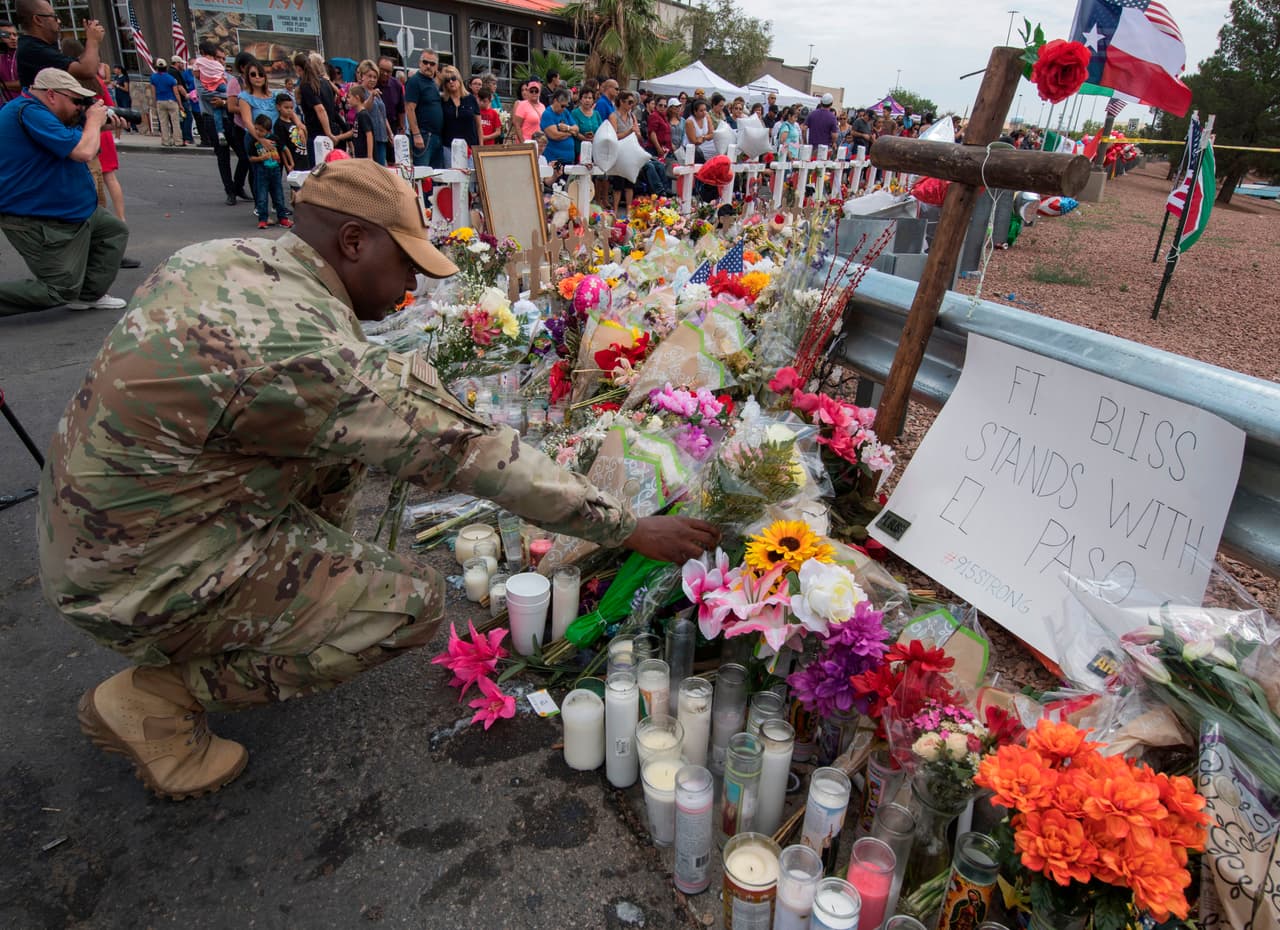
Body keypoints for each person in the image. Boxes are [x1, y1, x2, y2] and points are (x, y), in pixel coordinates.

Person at [39, 157, 720, 799]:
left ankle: (278, 607)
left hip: (106, 532)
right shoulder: (303, 347)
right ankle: (156, 702)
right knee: (406, 606)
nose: (409, 291)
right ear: (354, 242)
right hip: (137, 576)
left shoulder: (223, 259)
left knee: (347, 452)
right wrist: (628, 527)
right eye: (406, 266)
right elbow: (472, 452)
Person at [0, 68, 128, 315]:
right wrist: (93, 122)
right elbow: (83, 152)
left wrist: (98, 128)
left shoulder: (45, 114)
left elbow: (74, 143)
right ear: (51, 95)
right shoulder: (30, 112)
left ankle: (88, 295)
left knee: (113, 232)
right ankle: (74, 293)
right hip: (37, 217)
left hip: (73, 211)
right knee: (58, 289)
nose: (80, 108)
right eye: (76, 101)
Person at [16, 0, 101, 88]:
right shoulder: (33, 50)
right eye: (54, 17)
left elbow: (78, 63)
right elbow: (87, 70)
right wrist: (93, 40)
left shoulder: (37, 46)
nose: (59, 21)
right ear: (38, 20)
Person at [298, 51, 350, 163]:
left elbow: (320, 109)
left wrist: (328, 133)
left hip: (318, 133)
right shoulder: (326, 83)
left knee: (318, 168)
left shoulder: (308, 85)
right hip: (331, 128)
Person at [247, 113, 291, 229]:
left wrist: (290, 163)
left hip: (275, 171)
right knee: (262, 197)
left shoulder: (274, 139)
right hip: (262, 171)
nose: (257, 132)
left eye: (261, 130)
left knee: (279, 196)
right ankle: (263, 219)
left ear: (268, 131)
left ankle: (282, 218)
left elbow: (284, 149)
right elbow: (251, 158)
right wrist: (261, 158)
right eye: (256, 129)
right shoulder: (254, 141)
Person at [404, 49, 442, 169]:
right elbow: (410, 109)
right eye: (425, 62)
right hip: (424, 135)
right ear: (420, 63)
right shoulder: (415, 81)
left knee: (437, 175)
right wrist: (416, 134)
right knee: (423, 174)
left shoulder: (432, 83)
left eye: (432, 63)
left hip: (436, 136)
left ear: (436, 66)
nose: (428, 66)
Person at [438, 64, 479, 168]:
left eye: (453, 78)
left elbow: (479, 126)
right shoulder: (442, 100)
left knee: (470, 177)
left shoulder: (471, 99)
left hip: (470, 147)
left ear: (459, 79)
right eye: (447, 80)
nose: (451, 82)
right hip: (448, 147)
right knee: (451, 176)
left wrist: (480, 148)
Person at [356, 59, 392, 166]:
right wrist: (371, 96)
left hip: (381, 136)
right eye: (369, 76)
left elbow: (383, 115)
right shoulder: (359, 91)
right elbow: (363, 109)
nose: (372, 79)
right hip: (369, 136)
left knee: (382, 166)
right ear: (362, 76)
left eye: (375, 77)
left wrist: (390, 132)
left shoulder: (377, 92)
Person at [608, 90, 639, 213]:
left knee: (630, 184)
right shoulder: (613, 116)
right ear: (621, 102)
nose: (631, 105)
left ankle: (628, 211)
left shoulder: (632, 116)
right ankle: (615, 211)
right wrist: (629, 131)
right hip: (619, 152)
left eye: (633, 102)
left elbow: (637, 133)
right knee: (618, 184)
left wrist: (637, 133)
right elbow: (614, 135)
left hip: (631, 151)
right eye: (629, 102)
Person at [539, 87, 577, 166]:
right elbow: (555, 135)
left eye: (566, 106)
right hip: (554, 159)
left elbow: (576, 128)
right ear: (555, 101)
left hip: (569, 159)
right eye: (562, 106)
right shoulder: (547, 114)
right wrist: (570, 133)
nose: (564, 108)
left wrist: (568, 128)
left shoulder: (565, 112)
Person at [148, 57, 182, 146]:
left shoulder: (153, 77)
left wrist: (154, 103)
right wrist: (180, 104)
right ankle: (178, 141)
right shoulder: (171, 78)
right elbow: (176, 93)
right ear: (166, 67)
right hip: (171, 101)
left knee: (163, 122)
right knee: (175, 122)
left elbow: (153, 92)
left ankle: (166, 141)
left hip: (160, 101)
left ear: (157, 67)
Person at [273, 93, 310, 173]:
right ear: (278, 107)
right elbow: (283, 148)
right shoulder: (279, 125)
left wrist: (302, 130)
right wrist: (287, 164)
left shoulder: (294, 122)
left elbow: (305, 138)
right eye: (286, 107)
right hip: (293, 160)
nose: (289, 110)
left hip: (304, 157)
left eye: (291, 108)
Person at [569, 86, 601, 157]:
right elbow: (574, 132)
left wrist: (595, 138)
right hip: (579, 150)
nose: (587, 100)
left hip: (594, 150)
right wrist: (586, 139)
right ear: (580, 99)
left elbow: (601, 130)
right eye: (585, 97)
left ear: (593, 100)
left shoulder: (596, 114)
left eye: (590, 98)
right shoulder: (575, 113)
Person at [512, 79, 543, 144]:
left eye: (536, 91)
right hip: (526, 142)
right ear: (528, 92)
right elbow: (517, 126)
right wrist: (523, 143)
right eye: (531, 91)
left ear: (539, 93)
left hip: (539, 143)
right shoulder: (522, 105)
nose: (534, 93)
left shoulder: (542, 106)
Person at [685, 97, 714, 162]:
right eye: (701, 111)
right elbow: (694, 141)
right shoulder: (689, 122)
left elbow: (712, 134)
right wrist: (706, 137)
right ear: (695, 112)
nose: (704, 112)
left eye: (705, 110)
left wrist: (703, 137)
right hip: (693, 148)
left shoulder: (707, 116)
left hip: (705, 144)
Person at [0, 20, 19, 104]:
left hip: (22, 105)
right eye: (7, 35)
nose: (13, 38)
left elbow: (25, 84)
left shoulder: (23, 55)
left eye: (15, 35)